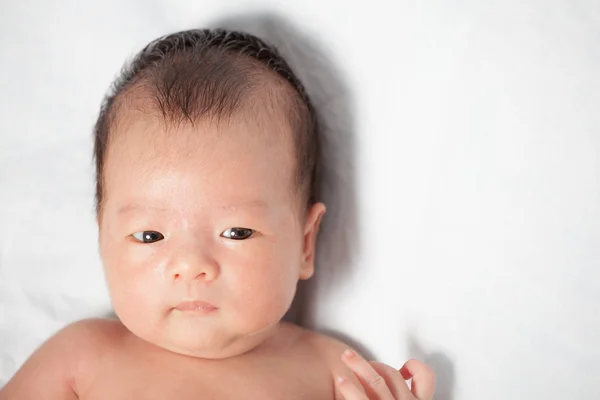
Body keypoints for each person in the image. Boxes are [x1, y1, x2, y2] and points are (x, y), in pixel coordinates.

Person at [0, 28, 435, 400]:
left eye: (237, 231)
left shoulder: (333, 370)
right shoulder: (81, 357)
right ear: (103, 241)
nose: (190, 265)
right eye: (149, 236)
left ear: (305, 243)